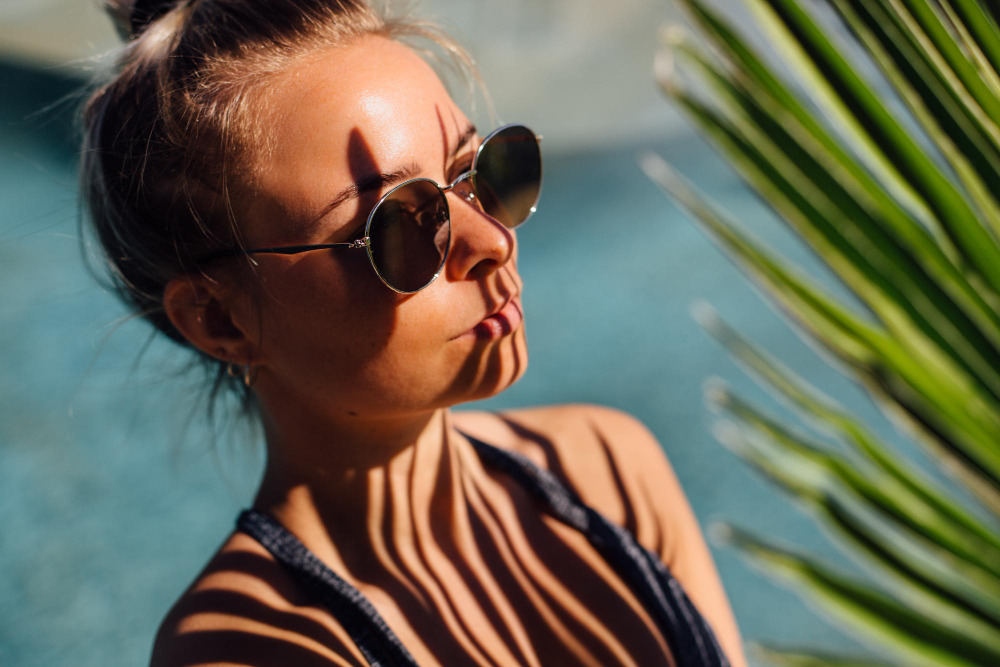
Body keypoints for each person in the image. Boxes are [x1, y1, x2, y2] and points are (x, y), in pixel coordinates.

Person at [81, 0, 747, 664]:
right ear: (220, 318)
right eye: (399, 223)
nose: (492, 241)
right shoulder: (251, 646)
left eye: (480, 172)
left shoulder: (606, 468)